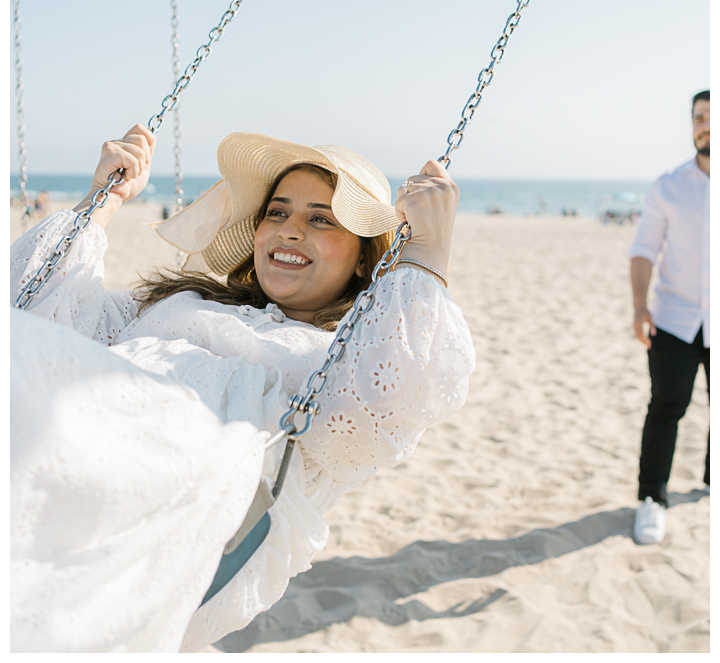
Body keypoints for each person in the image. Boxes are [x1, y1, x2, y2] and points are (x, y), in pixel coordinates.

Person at [11, 125, 475, 651]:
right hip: (80, 431)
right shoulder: (179, 305)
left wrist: (428, 252)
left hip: (187, 500)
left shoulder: (335, 362)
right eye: (277, 212)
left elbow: (390, 399)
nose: (289, 229)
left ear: (365, 257)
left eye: (321, 218)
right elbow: (35, 306)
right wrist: (105, 200)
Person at [629, 91, 710, 545]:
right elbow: (643, 250)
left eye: (712, 118)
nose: (705, 125)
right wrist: (639, 306)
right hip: (674, 320)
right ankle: (651, 500)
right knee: (665, 409)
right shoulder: (668, 186)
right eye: (699, 118)